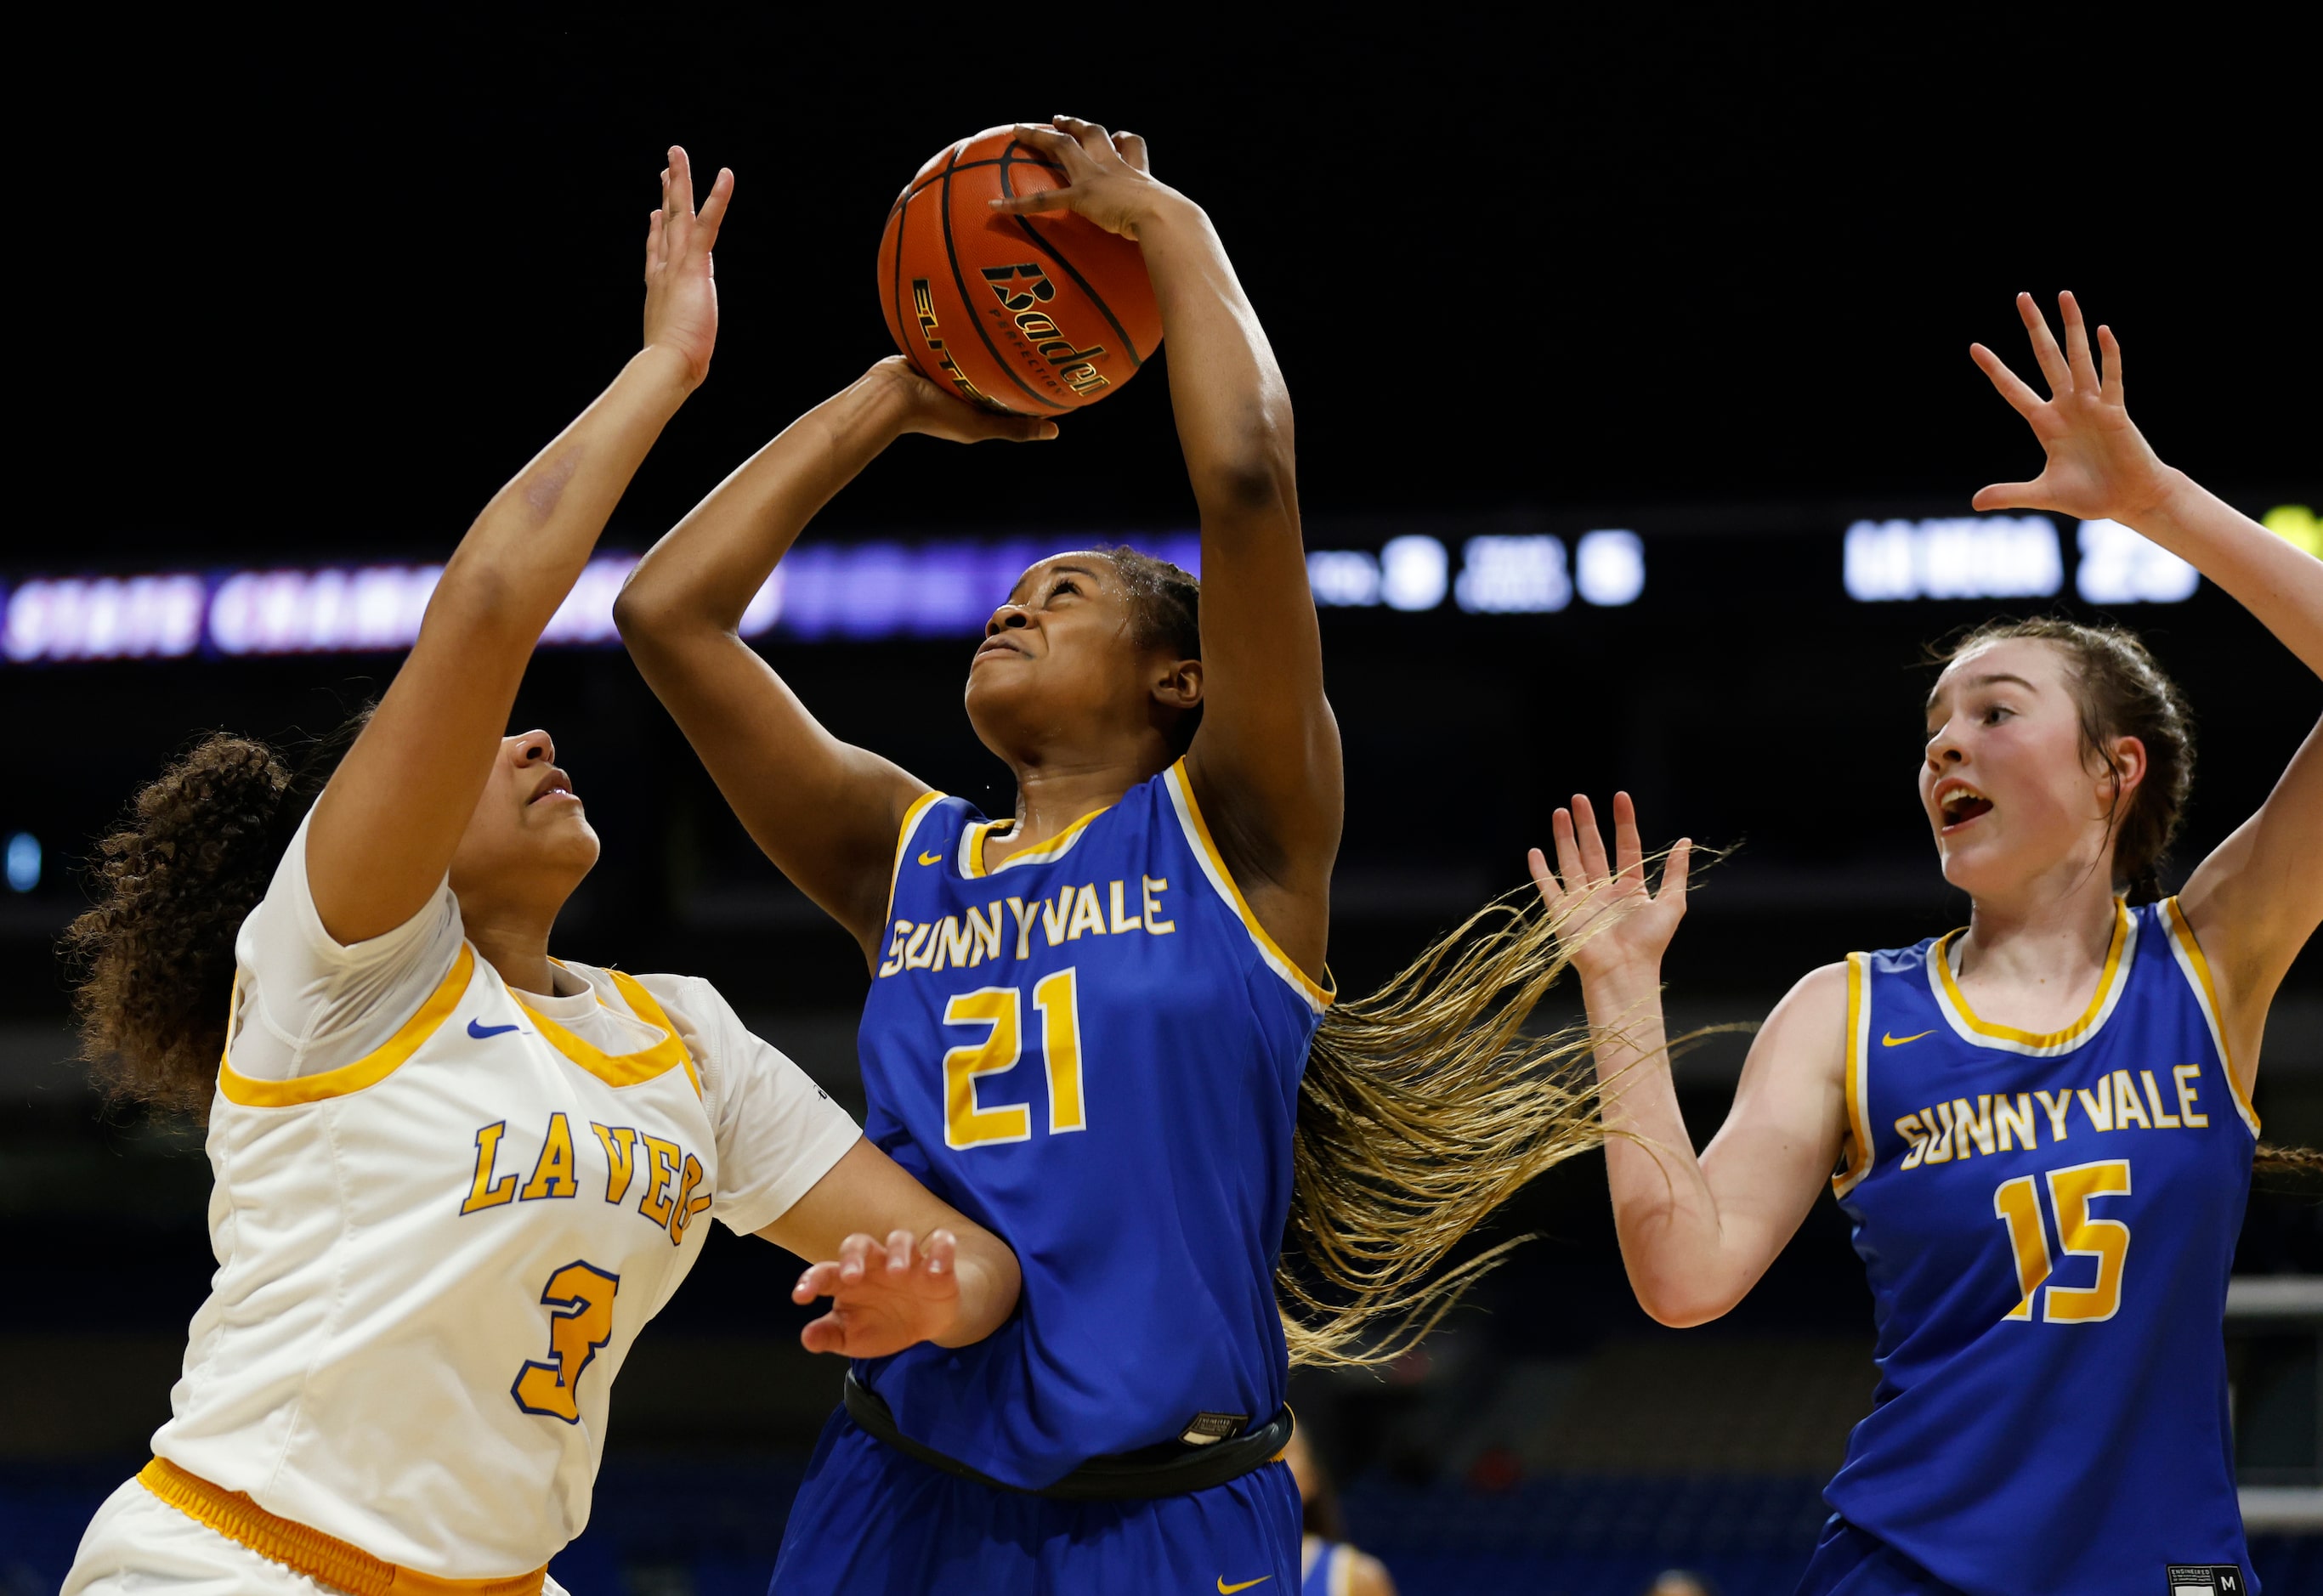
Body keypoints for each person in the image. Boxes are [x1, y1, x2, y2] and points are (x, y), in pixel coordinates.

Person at [615, 116, 1606, 1593]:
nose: (1013, 608)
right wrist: (888, 396)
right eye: (1009, 595)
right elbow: (667, 618)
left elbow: (1249, 480)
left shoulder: (1240, 832)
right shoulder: (909, 857)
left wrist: (1166, 225)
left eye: (1063, 592)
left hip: (1163, 1518)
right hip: (894, 1483)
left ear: (1178, 680)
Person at [59, 148, 1022, 1596]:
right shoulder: (340, 968)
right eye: (468, 747)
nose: (526, 739)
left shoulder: (684, 1038)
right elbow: (495, 600)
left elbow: (964, 1262)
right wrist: (668, 367)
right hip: (236, 1560)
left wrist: (940, 1292)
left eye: (521, 727)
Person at [1531, 291, 2322, 1593]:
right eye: (1933, 730)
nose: (1945, 744)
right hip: (1909, 1569)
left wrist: (2160, 504)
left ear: (2116, 767)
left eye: (1995, 712)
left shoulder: (2208, 957)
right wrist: (1620, 988)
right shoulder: (1845, 1012)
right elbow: (1685, 1277)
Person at [1282, 1429, 1397, 1596]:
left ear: (1312, 1476)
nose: (1267, 1464)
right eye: (1256, 1452)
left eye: (1281, 1451)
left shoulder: (1357, 1577)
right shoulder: (1232, 1570)